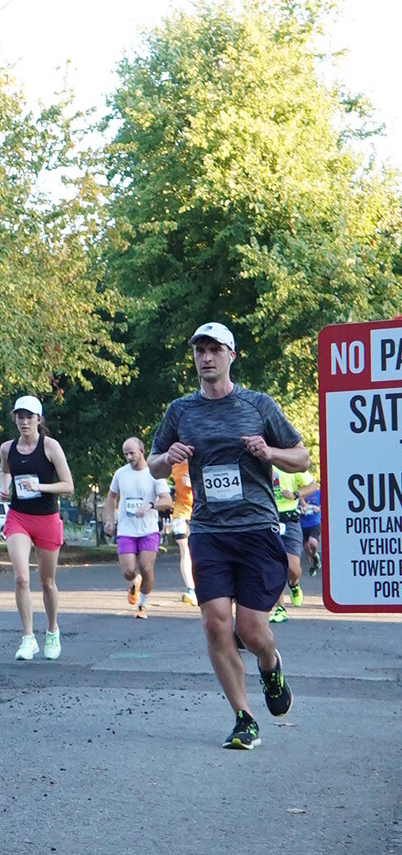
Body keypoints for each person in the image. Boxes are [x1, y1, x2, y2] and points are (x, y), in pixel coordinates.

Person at [148, 321, 308, 749]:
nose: (206, 357)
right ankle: (244, 718)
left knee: (252, 631)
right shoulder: (181, 411)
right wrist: (168, 456)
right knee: (216, 624)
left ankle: (270, 664)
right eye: (199, 350)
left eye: (214, 350)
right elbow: (154, 464)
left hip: (256, 529)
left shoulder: (258, 405)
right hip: (209, 531)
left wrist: (269, 452)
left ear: (231, 355)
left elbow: (302, 458)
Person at [0, 394, 74, 660]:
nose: (24, 422)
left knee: (47, 582)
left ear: (39, 420)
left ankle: (52, 631)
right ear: (15, 420)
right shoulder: (7, 448)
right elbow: (5, 471)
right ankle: (28, 638)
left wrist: (39, 486)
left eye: (29, 417)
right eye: (20, 417)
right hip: (18, 517)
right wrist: (4, 488)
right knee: (21, 577)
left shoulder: (50, 446)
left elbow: (68, 485)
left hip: (46, 518)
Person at [106, 435, 170, 614]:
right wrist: (109, 520)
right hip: (126, 529)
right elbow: (111, 497)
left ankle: (143, 603)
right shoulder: (120, 473)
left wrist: (150, 505)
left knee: (146, 567)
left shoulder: (155, 473)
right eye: (126, 454)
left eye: (132, 453)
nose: (129, 457)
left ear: (142, 451)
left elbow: (167, 500)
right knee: (128, 570)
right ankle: (135, 580)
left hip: (148, 530)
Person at [271, 459, 312, 616]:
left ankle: (294, 585)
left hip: (289, 520)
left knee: (293, 569)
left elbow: (313, 485)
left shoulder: (289, 462)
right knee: (276, 566)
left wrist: (296, 494)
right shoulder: (260, 462)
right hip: (269, 519)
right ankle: (280, 607)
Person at [168, 456, 196, 602]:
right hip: (181, 514)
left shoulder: (200, 461)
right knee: (185, 550)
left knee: (200, 551)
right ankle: (191, 589)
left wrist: (194, 483)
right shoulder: (174, 466)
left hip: (200, 513)